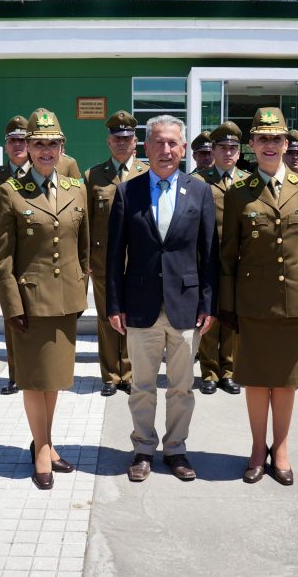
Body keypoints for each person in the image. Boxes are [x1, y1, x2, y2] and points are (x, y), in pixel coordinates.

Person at [219, 107, 298, 485]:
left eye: (277, 139)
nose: (270, 145)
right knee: (255, 380)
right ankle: (256, 448)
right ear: (252, 145)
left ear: (287, 144)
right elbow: (228, 257)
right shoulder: (238, 193)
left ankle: (280, 449)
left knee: (286, 380)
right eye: (263, 138)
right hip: (253, 304)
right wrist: (228, 307)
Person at [106, 114, 217, 483]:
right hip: (140, 305)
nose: (165, 150)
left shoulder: (200, 191)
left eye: (172, 143)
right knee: (142, 385)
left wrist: (208, 302)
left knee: (182, 387)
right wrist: (114, 304)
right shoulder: (128, 191)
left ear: (183, 148)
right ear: (146, 147)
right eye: (158, 142)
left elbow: (208, 254)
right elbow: (114, 254)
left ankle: (176, 449)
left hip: (186, 307)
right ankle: (142, 449)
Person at [0, 108, 88, 489]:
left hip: (65, 301)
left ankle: (47, 444)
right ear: (27, 148)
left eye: (52, 144)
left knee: (54, 380)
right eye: (38, 144)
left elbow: (82, 250)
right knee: (34, 381)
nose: (46, 150)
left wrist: (81, 292)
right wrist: (12, 306)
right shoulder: (9, 193)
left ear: (62, 148)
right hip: (30, 304)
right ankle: (42, 452)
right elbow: (4, 259)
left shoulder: (75, 189)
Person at [84, 111, 148, 397]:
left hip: (138, 261)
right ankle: (111, 375)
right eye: (116, 139)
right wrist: (86, 259)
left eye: (127, 138)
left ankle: (131, 373)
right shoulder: (93, 176)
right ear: (109, 142)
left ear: (136, 142)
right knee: (106, 318)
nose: (122, 143)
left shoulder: (147, 174)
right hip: (103, 262)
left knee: (135, 319)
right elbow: (85, 221)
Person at [193, 120, 248, 396]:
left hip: (238, 261)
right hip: (207, 260)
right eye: (222, 147)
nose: (228, 152)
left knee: (231, 318)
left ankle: (229, 370)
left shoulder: (248, 182)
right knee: (208, 316)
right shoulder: (198, 181)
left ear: (239, 152)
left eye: (233, 148)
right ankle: (209, 372)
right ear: (212, 151)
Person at [0, 115, 30, 396]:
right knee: (12, 318)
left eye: (22, 140)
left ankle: (34, 372)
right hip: (6, 261)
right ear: (5, 145)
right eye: (12, 141)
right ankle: (15, 375)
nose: (17, 146)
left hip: (36, 258)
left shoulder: (42, 173)